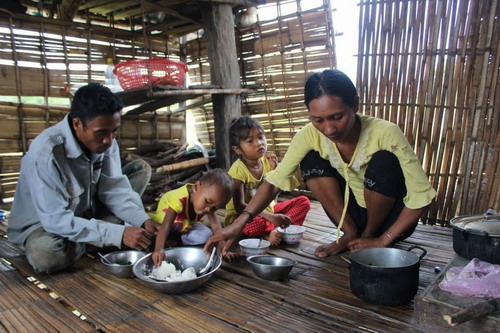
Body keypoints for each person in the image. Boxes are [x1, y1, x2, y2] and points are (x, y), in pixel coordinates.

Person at [205, 69, 436, 258]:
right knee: (311, 159)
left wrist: (382, 240)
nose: (329, 129)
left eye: (337, 117)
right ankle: (350, 234)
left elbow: (421, 195)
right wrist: (239, 224)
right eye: (318, 120)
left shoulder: (386, 133)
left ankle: (368, 236)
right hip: (354, 213)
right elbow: (275, 181)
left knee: (383, 161)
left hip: (392, 223)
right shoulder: (309, 135)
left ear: (355, 104)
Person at [7, 83, 159, 274]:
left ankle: (101, 231)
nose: (109, 140)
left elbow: (114, 189)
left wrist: (142, 219)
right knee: (46, 255)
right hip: (45, 224)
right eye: (101, 132)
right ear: (77, 124)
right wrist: (116, 234)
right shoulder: (46, 153)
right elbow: (55, 220)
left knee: (140, 169)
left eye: (114, 131)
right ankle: (100, 236)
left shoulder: (107, 140)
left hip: (86, 212)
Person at [225, 116, 310, 246]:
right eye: (250, 141)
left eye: (260, 137)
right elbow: (239, 206)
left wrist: (275, 171)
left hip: (268, 211)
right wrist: (272, 217)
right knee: (253, 225)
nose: (259, 143)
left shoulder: (267, 162)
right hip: (243, 217)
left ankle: (277, 230)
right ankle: (275, 231)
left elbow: (273, 195)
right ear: (237, 149)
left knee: (303, 201)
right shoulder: (238, 171)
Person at [150, 168, 233, 267]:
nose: (208, 209)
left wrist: (224, 250)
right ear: (196, 187)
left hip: (182, 229)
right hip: (160, 227)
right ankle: (166, 242)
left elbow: (217, 229)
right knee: (146, 232)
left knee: (207, 234)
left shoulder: (208, 204)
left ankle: (174, 241)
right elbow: (165, 227)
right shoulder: (178, 198)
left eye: (215, 207)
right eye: (207, 201)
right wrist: (159, 249)